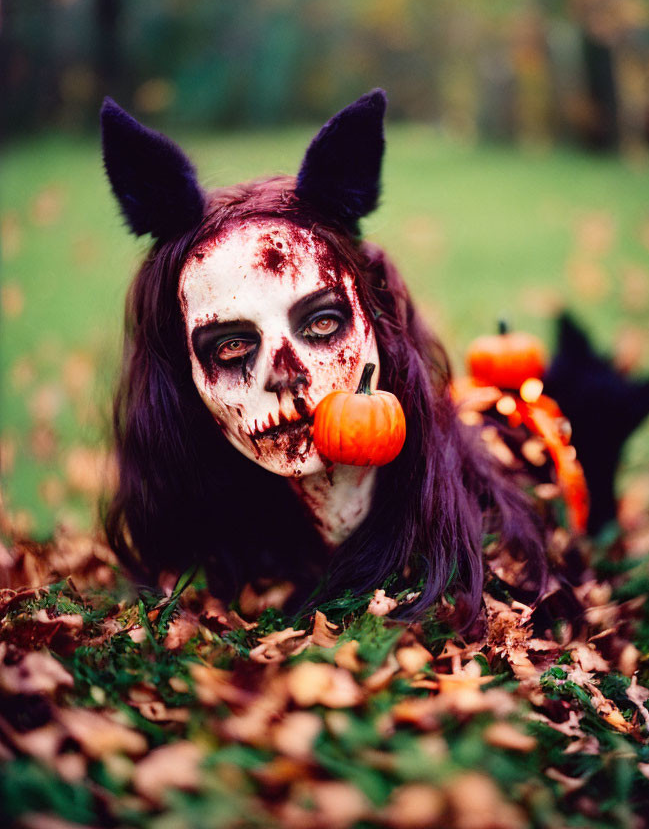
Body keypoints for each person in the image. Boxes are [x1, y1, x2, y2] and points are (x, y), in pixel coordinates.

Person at [101, 89, 550, 630]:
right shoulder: (202, 550)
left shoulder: (484, 530)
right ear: (185, 375)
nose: (284, 371)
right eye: (232, 346)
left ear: (375, 322)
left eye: (320, 324)